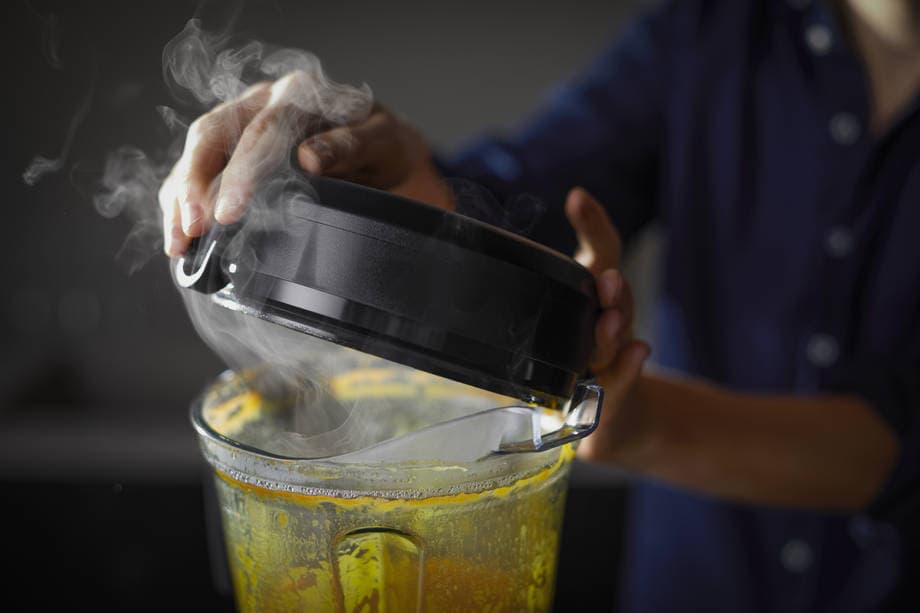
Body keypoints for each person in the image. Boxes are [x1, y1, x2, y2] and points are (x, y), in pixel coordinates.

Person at [159, 0, 920, 610]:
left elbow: (896, 441)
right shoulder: (708, 34)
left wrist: (643, 423)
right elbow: (529, 197)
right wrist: (424, 204)